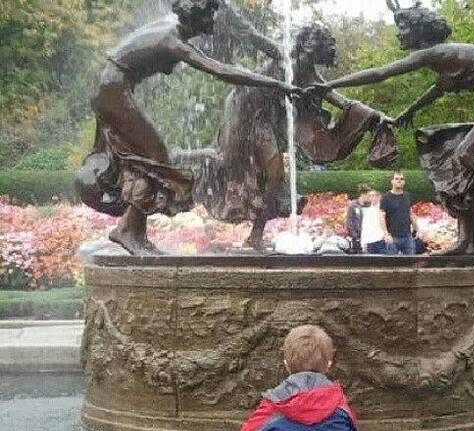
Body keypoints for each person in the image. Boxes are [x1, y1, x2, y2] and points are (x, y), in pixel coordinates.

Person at [310, 1, 474, 254]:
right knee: (457, 162)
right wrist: (407, 113)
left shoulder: (434, 53)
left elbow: (381, 73)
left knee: (468, 154)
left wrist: (329, 85)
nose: (399, 33)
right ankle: (465, 242)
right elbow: (437, 90)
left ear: (418, 31)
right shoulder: (444, 59)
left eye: (402, 28)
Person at [75, 0, 299, 256]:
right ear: (197, 16)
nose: (213, 23)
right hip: (112, 90)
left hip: (110, 87)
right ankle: (127, 230)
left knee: (152, 159)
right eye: (210, 17)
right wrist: (274, 83)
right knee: (157, 159)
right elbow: (221, 70)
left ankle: (133, 230)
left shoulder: (173, 28)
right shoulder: (172, 39)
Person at [192, 13, 395, 250]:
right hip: (241, 107)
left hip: (262, 121)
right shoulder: (282, 55)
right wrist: (228, 12)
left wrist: (376, 116)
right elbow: (253, 36)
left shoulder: (310, 74)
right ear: (307, 46)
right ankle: (179, 158)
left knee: (276, 174)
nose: (318, 56)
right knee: (225, 158)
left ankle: (255, 236)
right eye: (317, 49)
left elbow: (340, 100)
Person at [380, 172, 418, 255]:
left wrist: (416, 228)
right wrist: (386, 234)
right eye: (396, 179)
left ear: (404, 182)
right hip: (393, 237)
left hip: (408, 237)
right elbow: (381, 217)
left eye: (401, 179)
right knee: (393, 265)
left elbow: (410, 213)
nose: (399, 181)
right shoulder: (386, 197)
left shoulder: (408, 196)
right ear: (392, 181)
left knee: (411, 264)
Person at [345, 183, 371, 254]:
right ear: (363, 194)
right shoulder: (353, 205)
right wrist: (355, 236)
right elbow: (349, 222)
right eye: (368, 196)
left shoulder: (369, 206)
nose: (370, 198)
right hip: (356, 238)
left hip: (368, 236)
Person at [361, 190, 388, 254]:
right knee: (372, 263)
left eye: (374, 195)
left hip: (382, 241)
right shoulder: (367, 211)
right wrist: (363, 243)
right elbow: (365, 227)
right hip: (370, 242)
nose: (372, 198)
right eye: (370, 196)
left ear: (379, 197)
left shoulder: (384, 209)